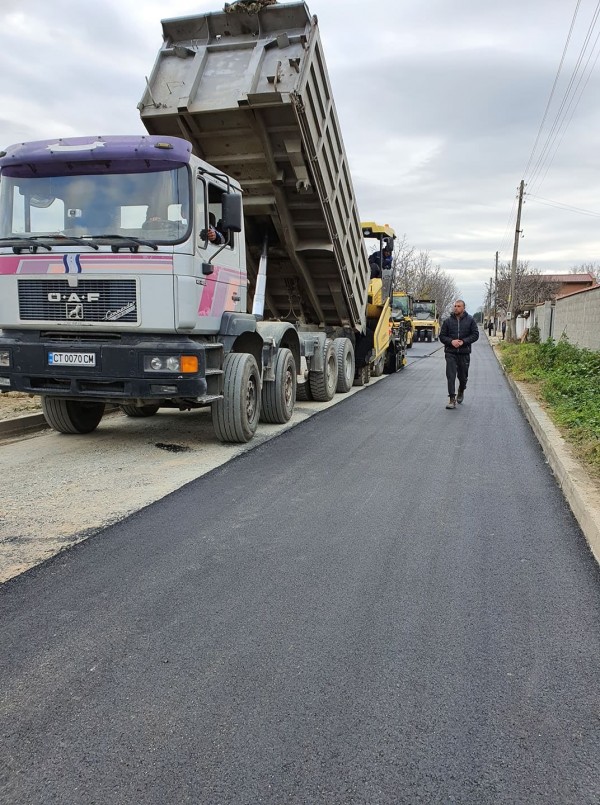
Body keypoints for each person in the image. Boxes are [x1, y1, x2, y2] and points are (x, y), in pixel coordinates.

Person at [439, 299, 480, 409]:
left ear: (463, 308)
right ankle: (452, 399)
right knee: (451, 376)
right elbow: (442, 336)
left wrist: (463, 342)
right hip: (450, 353)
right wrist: (451, 342)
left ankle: (461, 389)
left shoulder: (470, 320)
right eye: (455, 306)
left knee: (463, 377)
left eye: (458, 306)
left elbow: (475, 335)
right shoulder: (447, 321)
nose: (456, 308)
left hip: (464, 352)